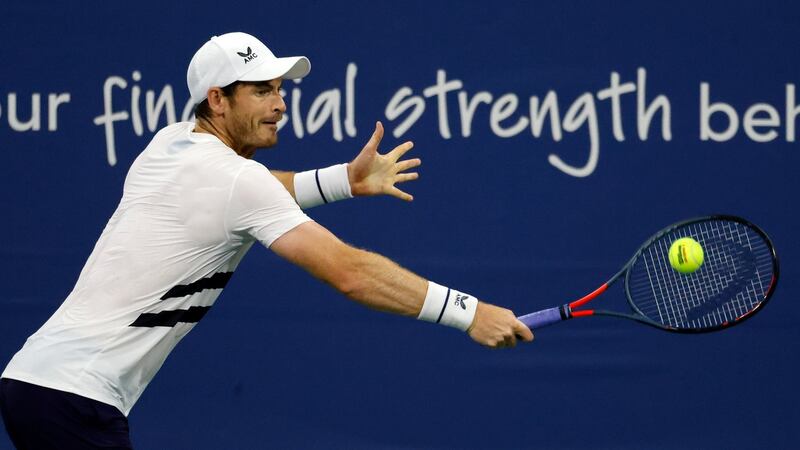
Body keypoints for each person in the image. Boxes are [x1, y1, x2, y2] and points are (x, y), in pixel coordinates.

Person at [0, 32, 533, 449]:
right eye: (261, 91)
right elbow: (348, 271)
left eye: (280, 89)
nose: (279, 103)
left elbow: (253, 191)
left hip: (35, 382)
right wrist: (469, 312)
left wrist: (343, 180)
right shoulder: (236, 180)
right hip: (75, 400)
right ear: (218, 99)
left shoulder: (171, 144)